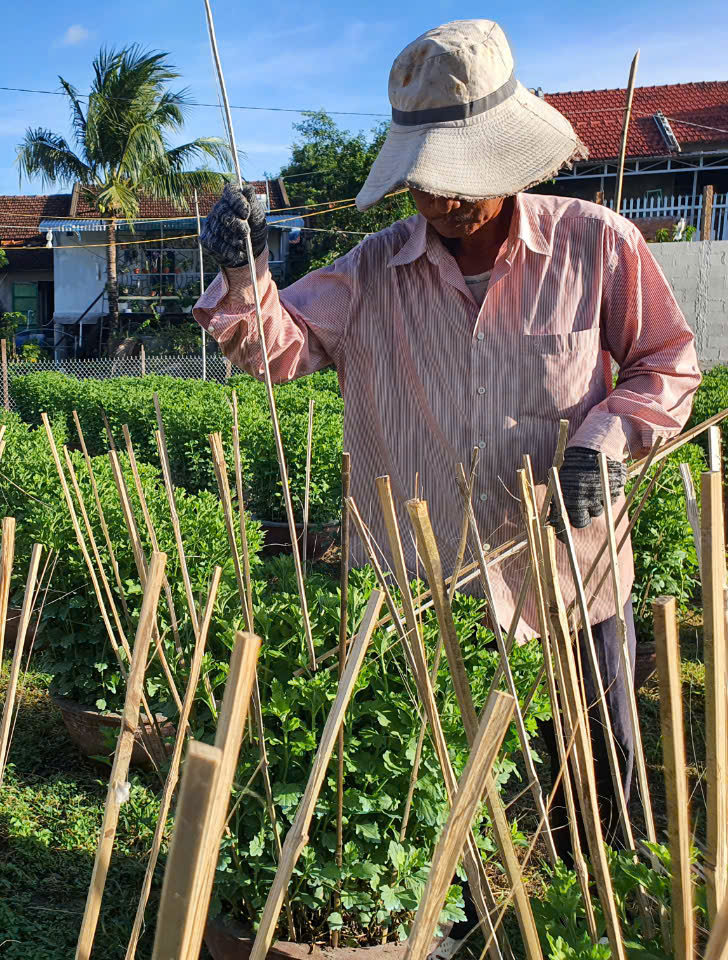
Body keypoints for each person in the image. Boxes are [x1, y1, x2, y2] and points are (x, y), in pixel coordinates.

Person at [196, 16, 700, 949]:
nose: (442, 199)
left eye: (461, 176)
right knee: (439, 820)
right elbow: (278, 350)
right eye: (425, 179)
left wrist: (606, 438)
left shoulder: (596, 245)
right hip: (420, 601)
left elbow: (668, 363)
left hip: (566, 586)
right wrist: (243, 273)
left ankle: (618, 928)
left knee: (603, 801)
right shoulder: (373, 272)